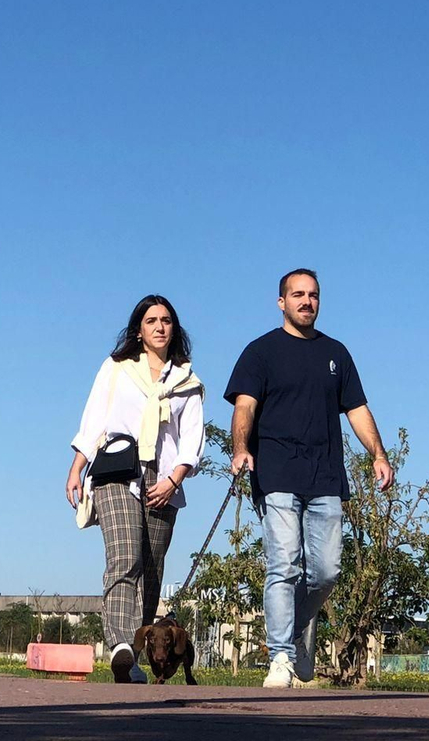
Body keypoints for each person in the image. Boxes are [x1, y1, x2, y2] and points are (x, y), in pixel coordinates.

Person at [224, 268, 393, 689]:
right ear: (281, 302)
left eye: (313, 295)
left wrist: (378, 454)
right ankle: (280, 656)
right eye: (297, 294)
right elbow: (245, 406)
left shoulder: (336, 353)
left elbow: (357, 409)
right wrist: (241, 448)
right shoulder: (260, 352)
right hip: (276, 471)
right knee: (283, 564)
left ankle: (295, 630)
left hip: (326, 476)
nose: (306, 301)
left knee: (326, 571)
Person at [66, 294, 204, 684]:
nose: (160, 327)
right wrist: (77, 466)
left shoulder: (188, 382)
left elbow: (193, 438)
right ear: (139, 331)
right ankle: (120, 646)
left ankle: (136, 656)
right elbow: (94, 418)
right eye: (151, 321)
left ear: (174, 329)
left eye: (166, 320)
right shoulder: (116, 368)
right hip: (117, 471)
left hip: (165, 479)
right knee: (125, 557)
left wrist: (174, 480)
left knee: (151, 570)